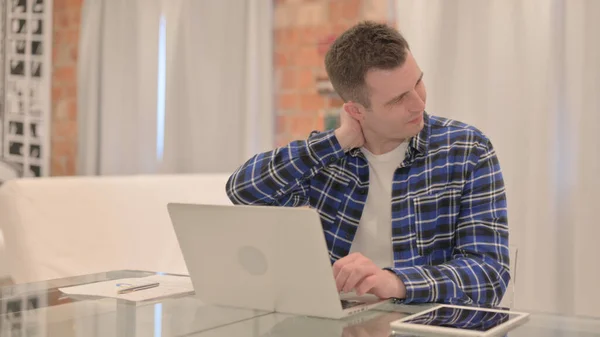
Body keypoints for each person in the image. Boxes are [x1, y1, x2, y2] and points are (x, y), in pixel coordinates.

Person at [226, 21, 509, 306]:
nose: (418, 104)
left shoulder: (467, 149)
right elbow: (243, 192)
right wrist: (339, 140)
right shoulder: (329, 157)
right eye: (398, 98)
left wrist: (396, 281)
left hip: (428, 325)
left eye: (418, 83)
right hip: (338, 323)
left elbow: (490, 274)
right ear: (356, 110)